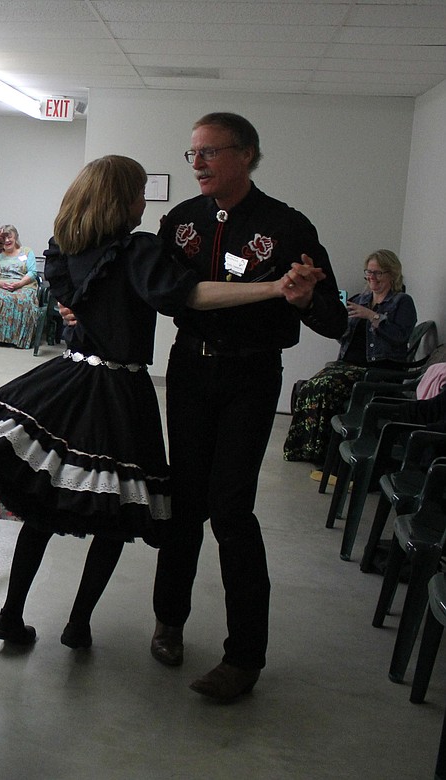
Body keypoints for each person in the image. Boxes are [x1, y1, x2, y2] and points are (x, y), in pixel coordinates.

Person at [0, 155, 320, 652]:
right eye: (139, 194)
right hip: (120, 391)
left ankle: (11, 613)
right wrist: (273, 288)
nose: (143, 203)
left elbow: (73, 298)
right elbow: (190, 295)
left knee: (45, 504)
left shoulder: (68, 248)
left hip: (69, 379)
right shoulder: (137, 252)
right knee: (115, 512)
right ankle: (78, 623)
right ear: (123, 200)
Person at [149, 112, 346, 701]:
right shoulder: (180, 221)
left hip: (251, 375)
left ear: (247, 155)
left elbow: (335, 320)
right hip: (188, 370)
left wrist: (308, 299)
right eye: (193, 154)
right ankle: (169, 620)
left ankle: (245, 657)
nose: (199, 164)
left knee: (231, 510)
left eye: (211, 152)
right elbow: (153, 289)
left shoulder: (288, 227)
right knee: (183, 501)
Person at [284, 250, 417, 463]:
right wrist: (339, 322)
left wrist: (372, 316)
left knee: (326, 387)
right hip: (347, 364)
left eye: (378, 273)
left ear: (392, 274)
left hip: (378, 370)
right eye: (369, 272)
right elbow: (342, 335)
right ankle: (305, 449)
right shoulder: (360, 298)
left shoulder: (402, 302)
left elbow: (400, 337)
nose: (372, 278)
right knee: (310, 386)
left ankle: (325, 454)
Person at [0, 224, 40, 348]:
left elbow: (32, 272)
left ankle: (18, 340)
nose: (8, 241)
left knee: (22, 300)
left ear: (16, 237)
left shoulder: (27, 252)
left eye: (10, 237)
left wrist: (19, 283)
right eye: (4, 239)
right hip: (0, 284)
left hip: (24, 284)